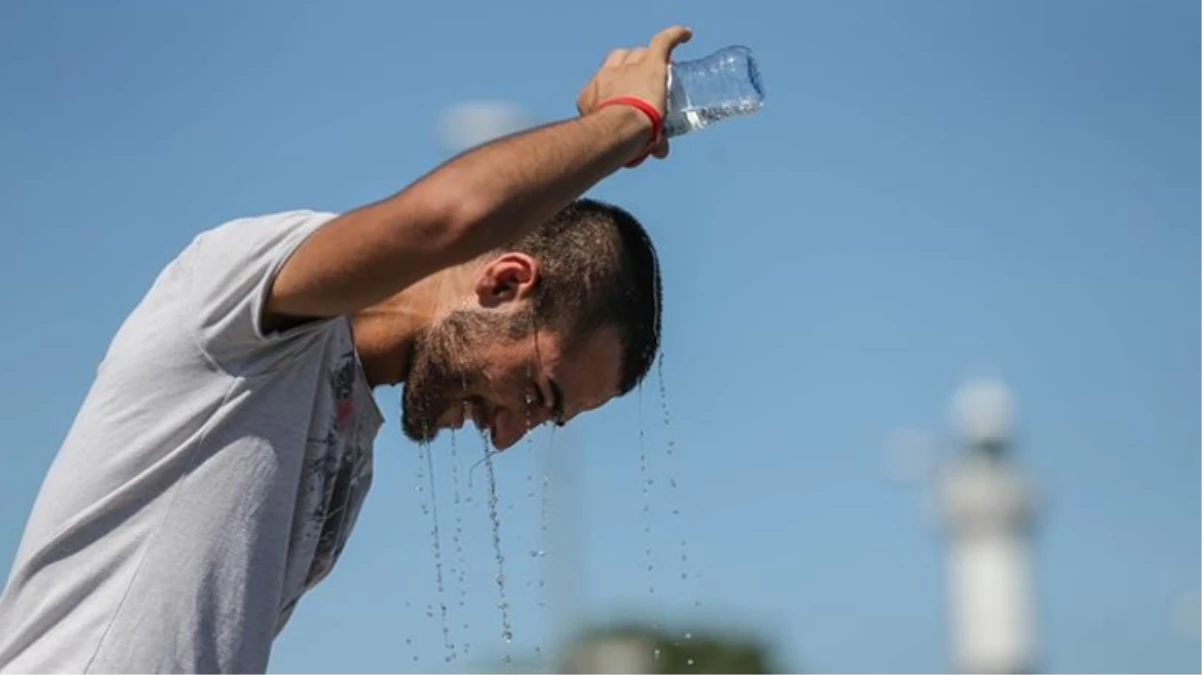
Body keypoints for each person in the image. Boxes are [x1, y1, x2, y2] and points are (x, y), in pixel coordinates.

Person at [0, 24, 693, 675]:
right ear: (504, 282)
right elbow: (446, 218)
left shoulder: (348, 444)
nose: (507, 435)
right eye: (538, 394)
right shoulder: (246, 301)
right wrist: (628, 118)